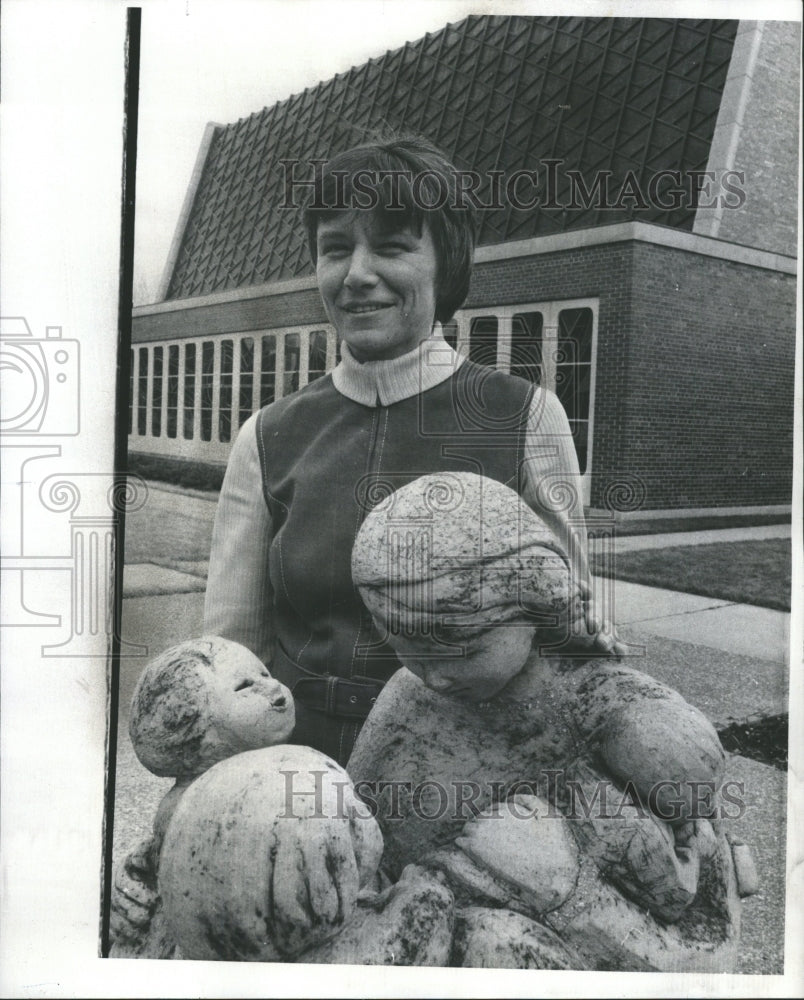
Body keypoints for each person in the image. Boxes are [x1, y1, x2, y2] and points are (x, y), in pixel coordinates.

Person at [204, 135, 621, 767]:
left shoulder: (527, 416)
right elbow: (230, 657)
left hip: (464, 781)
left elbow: (566, 632)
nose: (357, 274)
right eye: (335, 248)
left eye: (392, 246)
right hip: (297, 777)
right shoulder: (266, 435)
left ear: (444, 265)